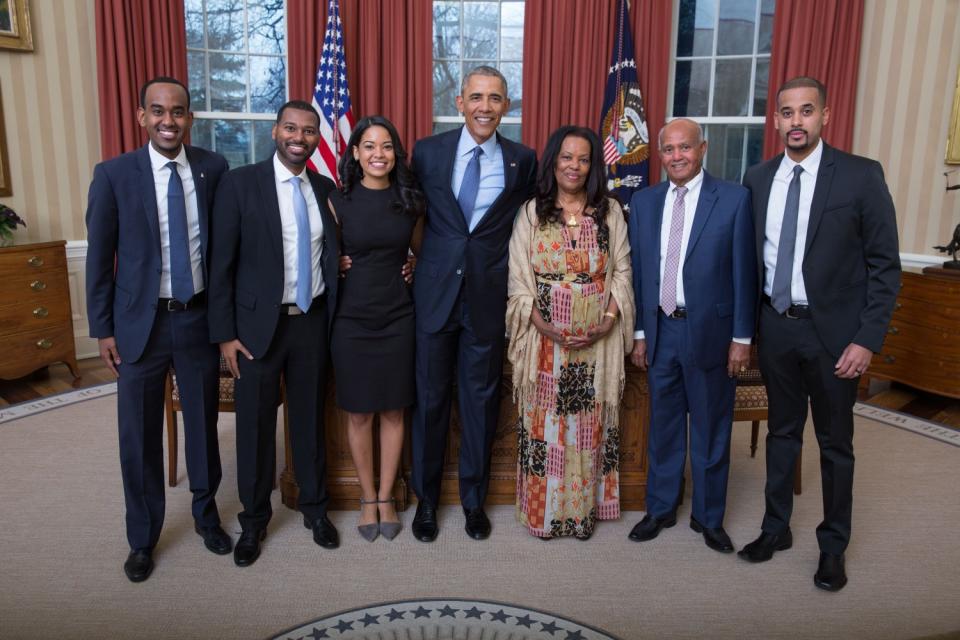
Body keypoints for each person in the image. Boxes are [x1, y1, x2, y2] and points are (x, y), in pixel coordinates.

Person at [739, 77, 900, 591]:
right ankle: (775, 528)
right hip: (777, 330)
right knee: (782, 435)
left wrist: (867, 339)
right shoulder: (757, 178)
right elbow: (750, 262)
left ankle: (833, 547)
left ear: (825, 116)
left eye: (806, 111)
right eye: (787, 112)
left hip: (836, 336)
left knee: (835, 445)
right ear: (776, 120)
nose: (796, 121)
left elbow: (885, 267)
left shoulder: (859, 176)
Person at [85, 76, 231, 582]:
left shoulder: (214, 169)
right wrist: (103, 329)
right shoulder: (114, 175)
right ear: (141, 116)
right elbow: (100, 261)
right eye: (158, 111)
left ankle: (206, 517)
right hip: (138, 327)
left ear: (190, 118)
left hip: (197, 320)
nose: (169, 120)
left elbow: (224, 252)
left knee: (203, 428)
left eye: (179, 111)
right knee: (139, 436)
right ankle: (142, 538)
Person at [208, 100, 340, 567]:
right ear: (275, 132)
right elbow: (219, 265)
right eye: (290, 128)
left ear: (316, 138)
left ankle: (315, 510)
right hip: (255, 329)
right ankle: (254, 521)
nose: (298, 137)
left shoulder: (325, 187)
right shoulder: (240, 184)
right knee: (256, 428)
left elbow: (333, 252)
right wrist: (224, 335)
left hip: (312, 320)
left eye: (308, 131)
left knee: (309, 422)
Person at [409, 65, 537, 542]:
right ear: (460, 102)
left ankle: (473, 502)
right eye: (477, 97)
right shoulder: (427, 152)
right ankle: (426, 502)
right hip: (434, 297)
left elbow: (528, 222)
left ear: (506, 106)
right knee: (429, 401)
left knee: (481, 404)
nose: (486, 107)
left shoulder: (523, 160)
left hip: (488, 298)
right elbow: (407, 210)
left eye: (496, 98)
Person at [626, 118, 757, 553]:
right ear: (658, 154)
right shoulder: (644, 203)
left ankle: (709, 517)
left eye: (685, 148)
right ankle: (661, 508)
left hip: (712, 335)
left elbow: (745, 273)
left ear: (703, 148)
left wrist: (742, 338)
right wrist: (642, 333)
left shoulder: (734, 199)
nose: (676, 156)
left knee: (710, 429)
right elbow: (641, 273)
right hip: (661, 330)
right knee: (661, 429)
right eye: (668, 149)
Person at [506, 126, 635, 540]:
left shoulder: (610, 212)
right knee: (546, 431)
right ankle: (544, 516)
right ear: (553, 162)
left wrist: (607, 322)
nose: (574, 166)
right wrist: (542, 323)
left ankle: (580, 516)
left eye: (583, 159)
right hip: (545, 346)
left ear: (593, 165)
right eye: (566, 157)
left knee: (586, 428)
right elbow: (518, 279)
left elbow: (623, 272)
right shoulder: (532, 212)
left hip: (597, 346)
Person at [329, 115, 424, 541]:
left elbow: (424, 254)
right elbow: (322, 256)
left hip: (398, 317)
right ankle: (367, 498)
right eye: (369, 146)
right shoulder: (337, 200)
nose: (378, 154)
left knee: (393, 409)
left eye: (386, 146)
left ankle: (387, 496)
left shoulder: (411, 200)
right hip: (351, 320)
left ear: (395, 153)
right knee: (359, 412)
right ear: (355, 152)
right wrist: (336, 262)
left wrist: (414, 263)